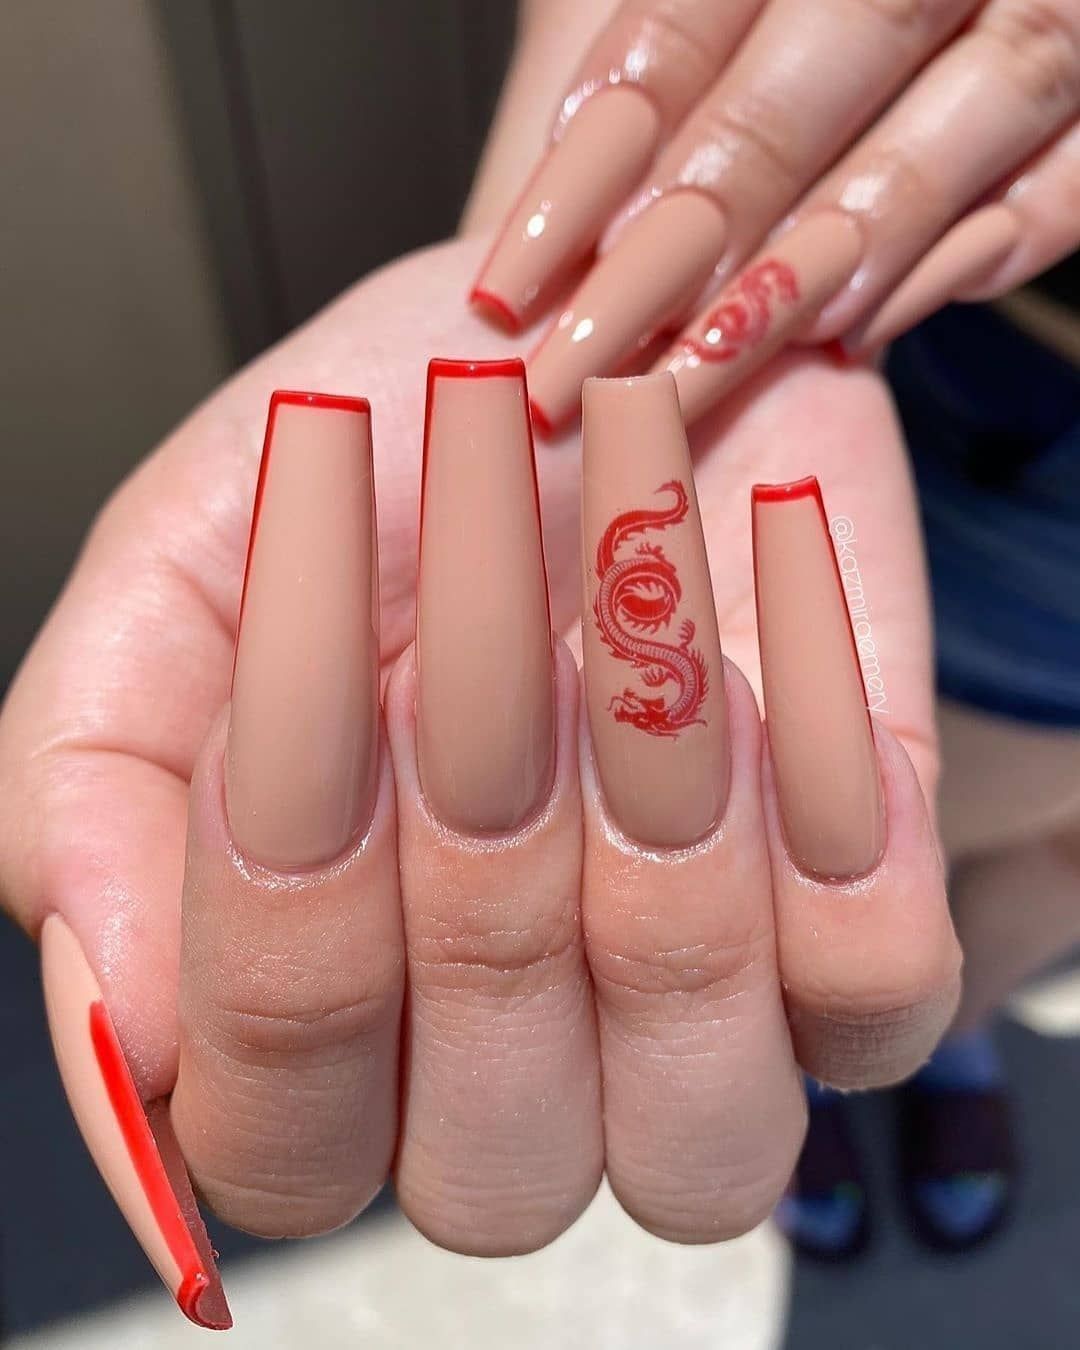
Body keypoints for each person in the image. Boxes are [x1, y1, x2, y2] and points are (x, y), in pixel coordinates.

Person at [0, 0, 1076, 1327]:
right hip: (941, 372)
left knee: (1019, 872)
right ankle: (862, 1056)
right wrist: (556, 262)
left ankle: (947, 1035)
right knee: (886, 861)